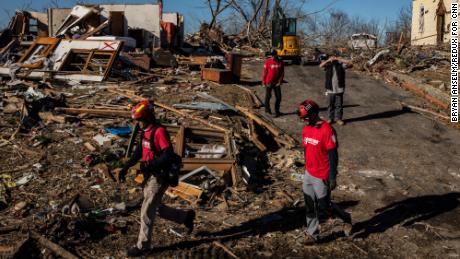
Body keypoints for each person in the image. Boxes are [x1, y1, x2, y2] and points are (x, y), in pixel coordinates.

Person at [115, 99, 195, 257]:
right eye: (136, 121)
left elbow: (168, 154)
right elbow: (139, 151)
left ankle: (143, 245)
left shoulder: (159, 132)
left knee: (146, 211)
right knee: (155, 208)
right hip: (149, 175)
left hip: (159, 177)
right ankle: (185, 217)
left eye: (140, 120)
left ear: (148, 118)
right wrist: (125, 167)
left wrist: (150, 164)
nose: (138, 124)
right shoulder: (145, 131)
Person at [297, 99, 339, 243]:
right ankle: (312, 234)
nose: (305, 121)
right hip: (309, 173)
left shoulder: (327, 129)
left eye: (306, 118)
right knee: (309, 205)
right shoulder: (306, 129)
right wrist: (305, 165)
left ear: (315, 114)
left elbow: (333, 154)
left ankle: (344, 218)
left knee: (324, 207)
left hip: (322, 175)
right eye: (303, 119)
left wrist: (332, 176)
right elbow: (306, 149)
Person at [319, 54, 353, 125]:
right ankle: (330, 119)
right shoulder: (328, 65)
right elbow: (320, 66)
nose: (333, 58)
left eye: (334, 57)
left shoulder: (341, 65)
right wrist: (328, 60)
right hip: (330, 89)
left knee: (339, 105)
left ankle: (338, 119)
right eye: (332, 57)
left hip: (339, 89)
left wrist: (338, 59)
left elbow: (350, 63)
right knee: (330, 105)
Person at [262, 50, 285, 117]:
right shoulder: (268, 61)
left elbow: (282, 73)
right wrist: (263, 82)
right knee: (268, 96)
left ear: (276, 54)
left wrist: (280, 81)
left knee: (278, 97)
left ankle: (277, 111)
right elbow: (265, 72)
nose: (272, 56)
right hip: (269, 82)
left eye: (273, 55)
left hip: (277, 82)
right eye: (271, 55)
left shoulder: (280, 62)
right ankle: (267, 110)